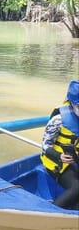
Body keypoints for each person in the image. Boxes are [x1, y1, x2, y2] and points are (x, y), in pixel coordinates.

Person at [41, 80, 79, 210]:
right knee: (76, 187)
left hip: (76, 160)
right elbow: (45, 146)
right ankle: (51, 213)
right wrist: (59, 156)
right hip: (57, 161)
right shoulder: (58, 120)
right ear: (72, 103)